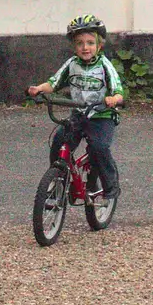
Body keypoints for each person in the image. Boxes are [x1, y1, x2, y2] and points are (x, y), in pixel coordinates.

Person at [26, 13, 124, 201]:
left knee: (99, 147)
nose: (85, 47)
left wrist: (114, 99)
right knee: (59, 141)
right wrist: (38, 89)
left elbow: (118, 90)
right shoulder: (72, 64)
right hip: (79, 115)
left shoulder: (105, 65)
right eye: (80, 43)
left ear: (99, 45)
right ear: (74, 46)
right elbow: (53, 83)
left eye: (90, 42)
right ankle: (58, 178)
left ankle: (110, 184)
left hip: (101, 116)